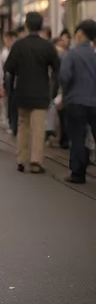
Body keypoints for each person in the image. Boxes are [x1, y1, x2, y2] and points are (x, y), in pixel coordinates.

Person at [4, 12, 60, 174]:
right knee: (38, 128)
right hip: (41, 92)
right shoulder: (47, 46)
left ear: (26, 25)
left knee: (23, 126)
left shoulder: (18, 45)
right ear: (41, 26)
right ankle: (36, 161)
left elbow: (8, 68)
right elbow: (57, 67)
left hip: (22, 92)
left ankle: (21, 159)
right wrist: (51, 86)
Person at [59, 19, 96, 184]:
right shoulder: (94, 55)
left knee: (77, 138)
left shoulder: (72, 54)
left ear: (80, 35)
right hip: (94, 103)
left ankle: (78, 173)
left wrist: (64, 96)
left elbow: (64, 77)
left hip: (75, 102)